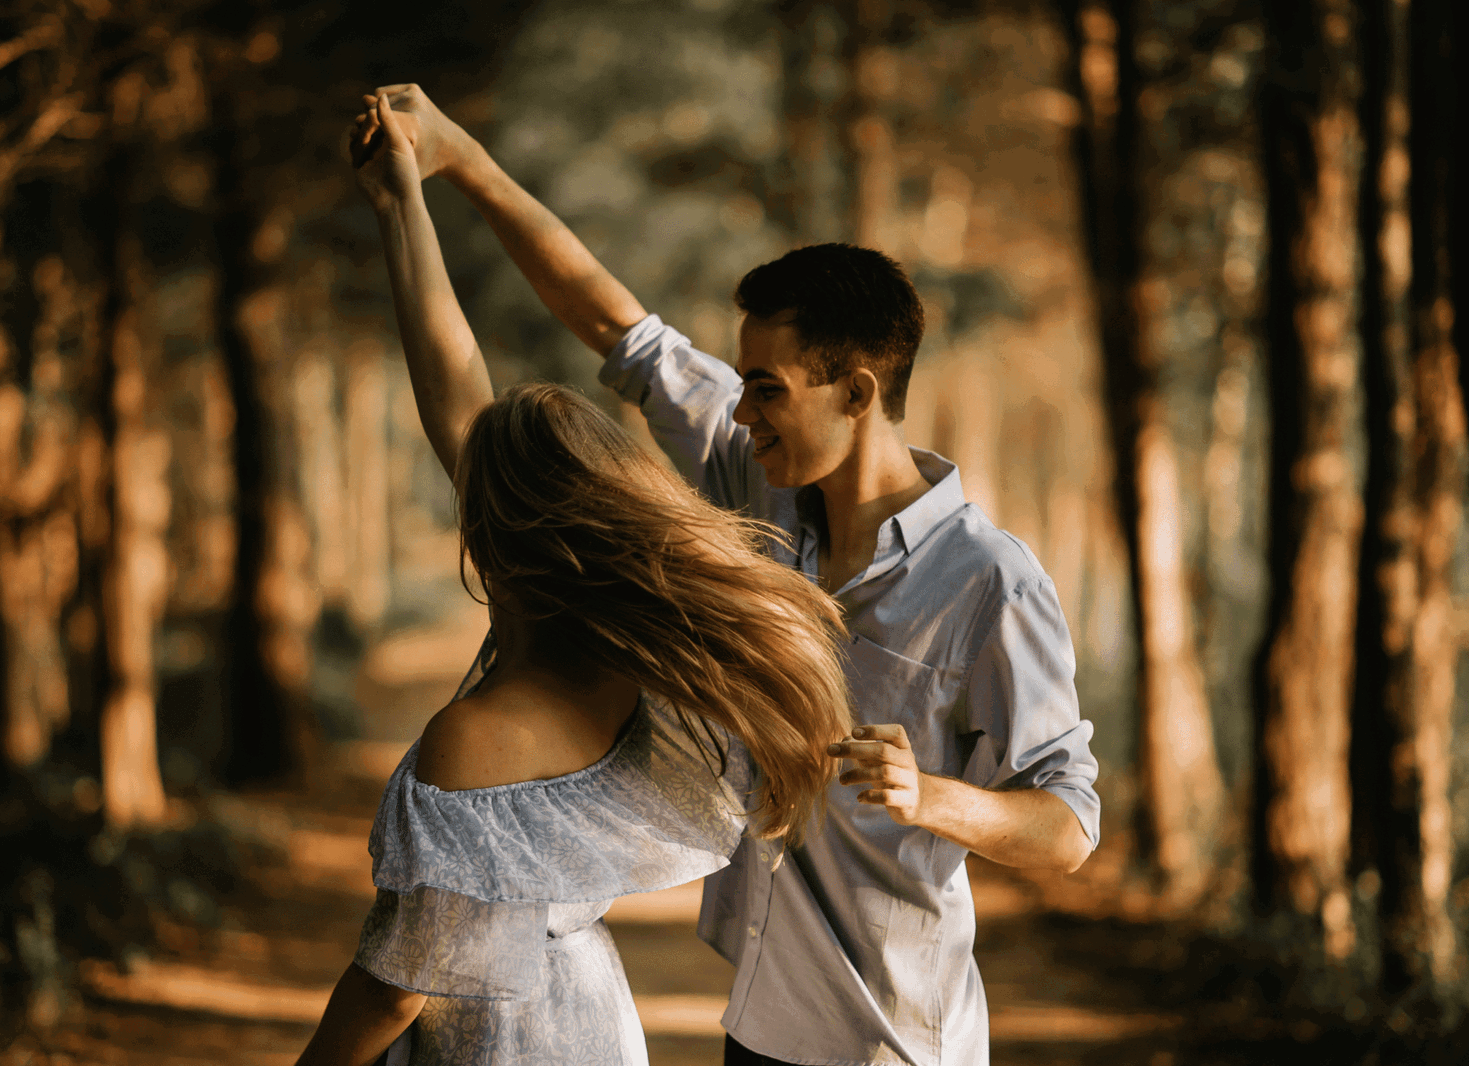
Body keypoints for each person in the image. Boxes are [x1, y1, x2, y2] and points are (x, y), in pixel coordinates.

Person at [372, 83, 1103, 1066]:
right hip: (759, 1021)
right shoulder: (753, 488)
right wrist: (456, 165)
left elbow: (1068, 829)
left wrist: (927, 796)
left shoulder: (988, 581)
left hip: (891, 1038)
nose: (740, 411)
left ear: (857, 391)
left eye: (766, 389)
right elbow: (612, 326)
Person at [292, 92, 855, 1066]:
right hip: (594, 1026)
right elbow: (457, 394)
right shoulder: (657, 688)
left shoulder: (475, 738)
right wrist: (402, 208)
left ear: (492, 534)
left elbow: (398, 982)